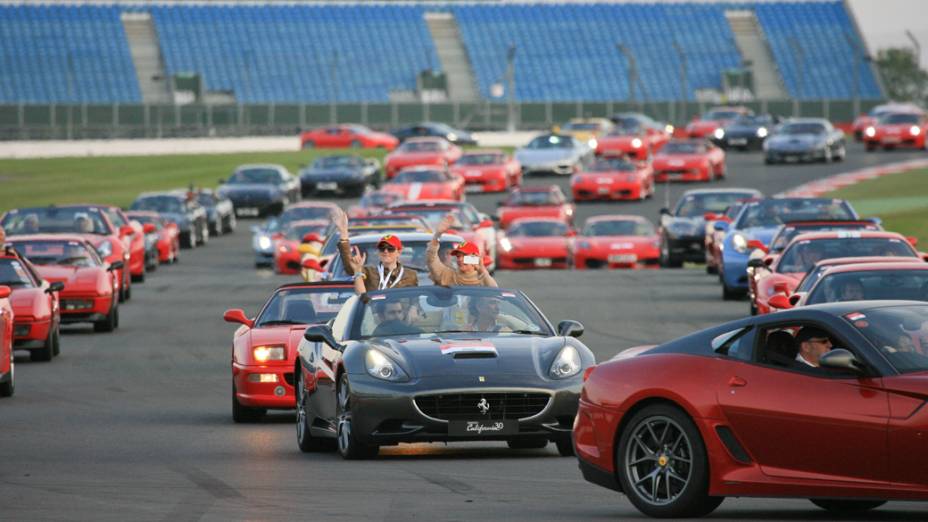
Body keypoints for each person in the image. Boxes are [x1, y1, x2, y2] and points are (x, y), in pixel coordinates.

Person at [333, 208, 418, 294]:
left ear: (399, 252)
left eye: (390, 248)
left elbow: (414, 302)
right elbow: (350, 268)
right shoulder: (369, 272)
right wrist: (343, 232)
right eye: (382, 248)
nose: (385, 251)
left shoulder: (410, 275)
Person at [426, 213, 497, 287]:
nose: (460, 259)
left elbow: (494, 289)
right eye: (458, 256)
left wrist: (482, 269)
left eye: (465, 256)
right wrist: (438, 234)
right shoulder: (447, 275)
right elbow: (431, 259)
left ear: (474, 258)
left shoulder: (483, 279)